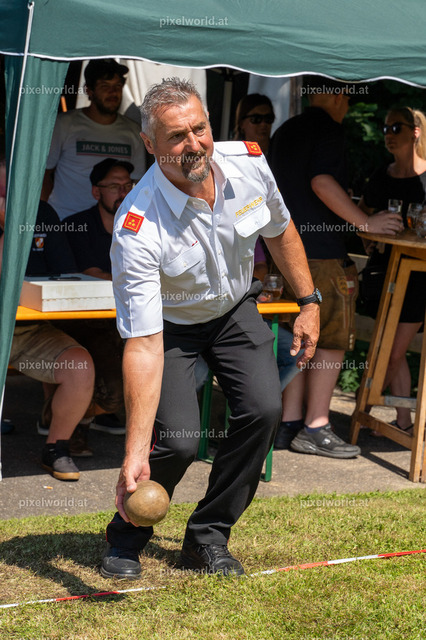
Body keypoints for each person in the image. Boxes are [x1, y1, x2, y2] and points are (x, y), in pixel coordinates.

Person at [101, 77, 320, 580]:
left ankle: (207, 537)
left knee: (264, 410)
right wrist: (133, 452)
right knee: (179, 440)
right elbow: (143, 344)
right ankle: (126, 534)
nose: (193, 144)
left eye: (199, 129)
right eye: (176, 136)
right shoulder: (137, 225)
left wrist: (308, 301)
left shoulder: (248, 162)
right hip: (170, 329)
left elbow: (280, 228)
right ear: (150, 144)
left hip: (234, 310)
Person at [269, 77, 404, 458]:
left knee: (296, 339)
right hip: (322, 257)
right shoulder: (328, 129)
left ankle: (289, 423)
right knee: (329, 341)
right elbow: (322, 181)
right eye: (347, 95)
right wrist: (365, 222)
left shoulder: (286, 130)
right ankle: (316, 426)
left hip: (283, 252)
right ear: (339, 94)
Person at [0, 156, 95, 481]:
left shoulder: (42, 213)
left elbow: (64, 272)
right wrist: (9, 230)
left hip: (29, 329)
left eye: (11, 191)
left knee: (80, 367)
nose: (7, 199)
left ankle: (56, 448)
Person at [358, 106, 426, 433]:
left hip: (419, 275)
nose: (388, 134)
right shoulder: (382, 175)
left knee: (393, 351)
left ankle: (362, 410)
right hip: (384, 271)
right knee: (387, 347)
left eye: (396, 128)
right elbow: (362, 212)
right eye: (385, 128)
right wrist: (367, 237)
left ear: (415, 132)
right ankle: (404, 422)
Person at [56, 157, 131, 436]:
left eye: (128, 185)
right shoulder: (77, 225)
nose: (123, 192)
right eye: (114, 186)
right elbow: (93, 274)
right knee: (115, 391)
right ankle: (64, 423)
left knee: (143, 380)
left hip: (128, 318)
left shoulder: (141, 225)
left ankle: (70, 419)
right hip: (86, 321)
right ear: (96, 192)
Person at [42, 59, 146, 220]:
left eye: (118, 86)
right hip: (66, 222)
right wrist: (43, 216)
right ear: (89, 90)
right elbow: (43, 175)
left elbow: (138, 183)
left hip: (113, 225)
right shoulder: (63, 124)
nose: (113, 92)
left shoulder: (133, 131)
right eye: (105, 86)